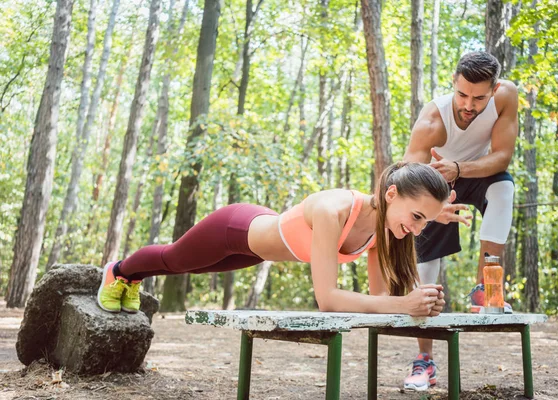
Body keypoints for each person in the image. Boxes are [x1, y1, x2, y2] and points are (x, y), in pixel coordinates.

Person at [97, 162, 452, 317]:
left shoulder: (382, 233)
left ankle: (132, 278)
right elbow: (327, 299)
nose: (418, 230)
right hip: (235, 228)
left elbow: (378, 301)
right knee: (175, 259)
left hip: (256, 251)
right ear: (391, 194)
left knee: (196, 269)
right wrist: (403, 305)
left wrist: (414, 303)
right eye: (417, 217)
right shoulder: (335, 209)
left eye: (427, 223)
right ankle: (120, 272)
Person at [401, 51, 518, 391]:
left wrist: (460, 168)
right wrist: (434, 210)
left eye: (479, 97)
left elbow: (502, 157)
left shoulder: (507, 96)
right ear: (453, 83)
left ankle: (488, 291)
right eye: (462, 94)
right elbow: (407, 180)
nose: (469, 104)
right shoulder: (431, 122)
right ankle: (424, 360)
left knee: (503, 190)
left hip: (477, 172)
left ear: (494, 90)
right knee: (426, 254)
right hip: (434, 180)